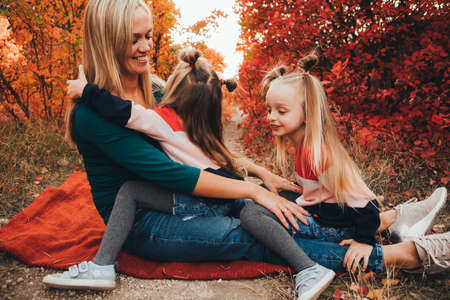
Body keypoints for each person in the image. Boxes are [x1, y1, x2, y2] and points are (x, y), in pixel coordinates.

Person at [43, 0, 449, 299]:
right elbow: (171, 172)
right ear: (106, 40)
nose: (146, 46)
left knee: (284, 201)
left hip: (181, 199)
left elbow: (195, 147)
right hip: (146, 221)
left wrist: (258, 173)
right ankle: (406, 255)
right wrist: (252, 189)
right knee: (255, 232)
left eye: (149, 35)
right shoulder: (92, 115)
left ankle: (384, 219)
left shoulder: (155, 89)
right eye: (133, 39)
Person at [239, 51, 449, 299]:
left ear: (307, 115)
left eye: (281, 111)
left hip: (333, 228)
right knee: (266, 196)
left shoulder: (316, 155)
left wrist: (363, 241)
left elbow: (364, 203)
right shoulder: (304, 146)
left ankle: (394, 227)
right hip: (327, 213)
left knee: (251, 212)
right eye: (269, 110)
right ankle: (397, 221)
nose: (271, 117)